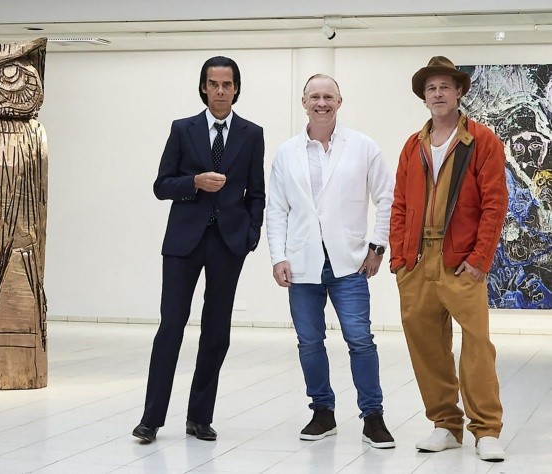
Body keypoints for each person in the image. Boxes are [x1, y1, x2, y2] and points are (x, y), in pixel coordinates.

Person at [132, 56, 265, 443]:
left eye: (227, 84)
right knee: (171, 327)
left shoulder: (252, 134)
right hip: (183, 242)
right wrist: (194, 182)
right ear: (203, 88)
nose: (220, 91)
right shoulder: (182, 129)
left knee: (216, 332)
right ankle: (151, 419)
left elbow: (256, 192)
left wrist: (250, 235)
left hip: (228, 243)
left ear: (236, 89)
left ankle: (199, 417)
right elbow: (161, 186)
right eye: (213, 84)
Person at [266, 74, 395, 448]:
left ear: (340, 101)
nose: (321, 103)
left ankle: (373, 417)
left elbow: (387, 198)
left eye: (328, 97)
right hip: (302, 263)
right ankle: (322, 412)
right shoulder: (286, 152)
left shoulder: (363, 146)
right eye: (314, 97)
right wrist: (278, 256)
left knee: (360, 340)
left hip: (349, 263)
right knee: (309, 342)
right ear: (303, 102)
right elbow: (276, 209)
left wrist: (377, 247)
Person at [389, 56, 508, 462]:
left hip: (462, 262)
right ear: (424, 97)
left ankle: (486, 429)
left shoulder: (482, 140)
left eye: (444, 87)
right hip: (417, 261)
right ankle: (445, 424)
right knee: (426, 346)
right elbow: (399, 203)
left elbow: (495, 204)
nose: (438, 94)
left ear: (459, 92)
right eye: (431, 88)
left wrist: (480, 259)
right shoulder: (413, 145)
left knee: (477, 345)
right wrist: (400, 258)